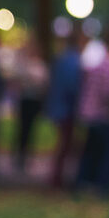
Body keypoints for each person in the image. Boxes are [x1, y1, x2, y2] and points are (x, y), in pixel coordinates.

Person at [75, 25, 109, 197]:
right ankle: (104, 187)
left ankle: (83, 183)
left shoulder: (98, 62)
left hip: (90, 113)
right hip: (104, 115)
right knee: (107, 153)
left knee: (90, 151)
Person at [45, 30, 84, 188]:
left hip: (59, 107)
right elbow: (72, 87)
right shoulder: (74, 61)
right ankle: (58, 179)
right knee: (65, 145)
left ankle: (58, 177)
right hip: (66, 109)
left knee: (64, 144)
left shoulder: (61, 59)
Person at [11, 39, 49, 173]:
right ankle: (20, 156)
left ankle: (28, 156)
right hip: (25, 100)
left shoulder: (40, 65)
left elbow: (44, 83)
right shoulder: (25, 65)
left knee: (32, 130)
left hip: (34, 101)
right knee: (23, 129)